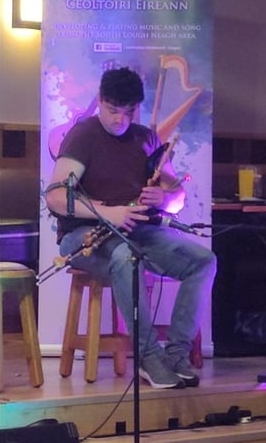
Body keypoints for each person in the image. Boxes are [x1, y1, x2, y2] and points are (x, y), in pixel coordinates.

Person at [45, 66, 217, 389]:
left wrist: (164, 197)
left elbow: (177, 197)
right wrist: (109, 212)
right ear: (100, 101)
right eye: (112, 111)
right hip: (83, 237)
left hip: (138, 232)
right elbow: (55, 196)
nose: (120, 120)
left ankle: (176, 354)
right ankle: (148, 357)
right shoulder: (83, 136)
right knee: (126, 256)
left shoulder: (145, 138)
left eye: (128, 112)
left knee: (203, 261)